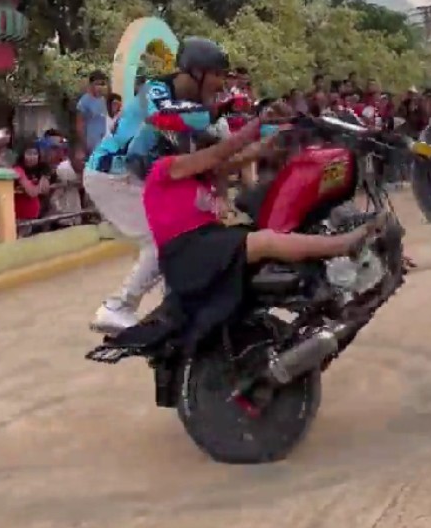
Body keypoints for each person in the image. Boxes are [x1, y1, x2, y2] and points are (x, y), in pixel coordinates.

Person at [123, 106, 375, 348]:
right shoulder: (164, 169)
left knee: (275, 228)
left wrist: (279, 133)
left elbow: (245, 154)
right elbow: (219, 153)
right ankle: (345, 244)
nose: (198, 142)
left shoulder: (195, 176)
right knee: (266, 240)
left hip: (207, 242)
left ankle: (320, 290)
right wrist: (256, 124)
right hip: (189, 252)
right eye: (193, 138)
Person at [80, 36, 232, 334]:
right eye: (217, 75)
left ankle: (178, 304)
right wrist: (217, 112)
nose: (221, 85)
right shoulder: (157, 91)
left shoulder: (196, 106)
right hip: (112, 175)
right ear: (196, 71)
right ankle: (117, 307)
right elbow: (164, 115)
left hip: (140, 178)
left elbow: (215, 150)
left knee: (184, 234)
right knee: (162, 239)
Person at [76, 70, 111, 163]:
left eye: (102, 84)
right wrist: (84, 145)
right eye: (97, 84)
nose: (99, 87)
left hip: (105, 143)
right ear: (91, 84)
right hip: (91, 143)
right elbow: (80, 125)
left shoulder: (105, 100)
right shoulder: (84, 101)